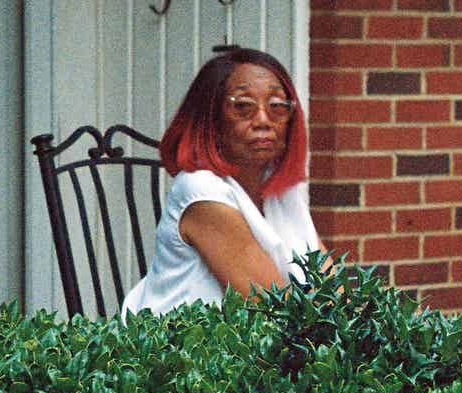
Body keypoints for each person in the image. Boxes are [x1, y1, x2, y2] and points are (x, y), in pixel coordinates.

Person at [122, 46, 321, 315]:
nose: (263, 120)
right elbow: (272, 307)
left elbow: (330, 287)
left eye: (277, 106)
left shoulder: (281, 192)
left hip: (255, 344)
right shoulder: (200, 190)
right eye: (243, 107)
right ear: (210, 119)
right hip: (183, 349)